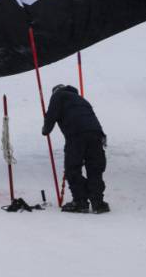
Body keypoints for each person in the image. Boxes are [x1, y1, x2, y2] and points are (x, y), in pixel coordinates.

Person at [42, 84, 109, 213]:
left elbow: (51, 115)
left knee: (73, 168)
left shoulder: (58, 96)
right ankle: (98, 203)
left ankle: (80, 201)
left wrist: (46, 129)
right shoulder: (81, 99)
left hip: (76, 134)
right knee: (95, 168)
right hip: (96, 134)